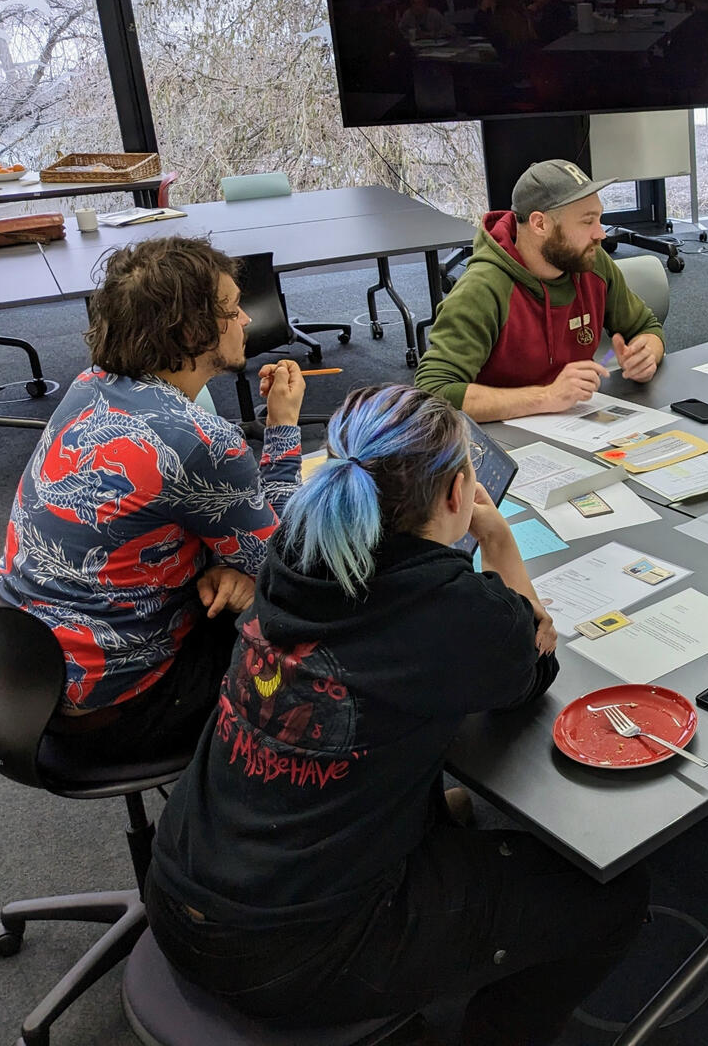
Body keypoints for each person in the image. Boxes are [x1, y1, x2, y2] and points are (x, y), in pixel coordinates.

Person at [144, 383, 648, 1042]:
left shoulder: (291, 558)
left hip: (180, 890)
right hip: (294, 954)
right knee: (613, 897)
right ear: (454, 496)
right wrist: (497, 538)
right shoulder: (455, 614)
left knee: (436, 802)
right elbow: (534, 657)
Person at [0, 236, 304, 761]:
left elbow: (159, 506)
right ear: (191, 332)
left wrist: (233, 568)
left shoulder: (90, 385)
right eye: (233, 311)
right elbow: (287, 564)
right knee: (331, 631)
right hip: (121, 706)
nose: (247, 322)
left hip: (33, 673)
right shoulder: (200, 442)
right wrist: (282, 429)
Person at [414, 159, 665, 421]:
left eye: (599, 218)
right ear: (540, 224)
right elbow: (432, 392)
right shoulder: (483, 288)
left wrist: (647, 354)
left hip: (575, 426)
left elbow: (646, 327)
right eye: (587, 222)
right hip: (501, 438)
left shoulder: (591, 262)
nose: (600, 234)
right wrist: (546, 397)